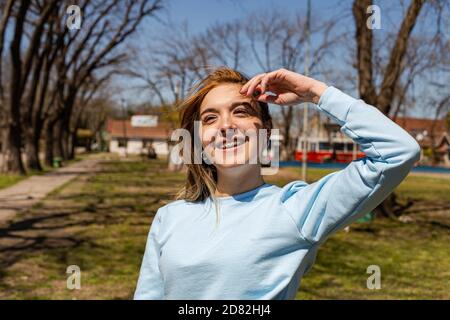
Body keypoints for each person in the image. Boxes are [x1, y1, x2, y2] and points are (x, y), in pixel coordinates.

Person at [134, 67, 420, 300]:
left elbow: (397, 152)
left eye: (241, 112)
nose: (225, 125)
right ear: (199, 139)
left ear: (266, 130)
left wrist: (316, 93)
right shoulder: (168, 217)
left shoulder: (296, 209)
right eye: (210, 118)